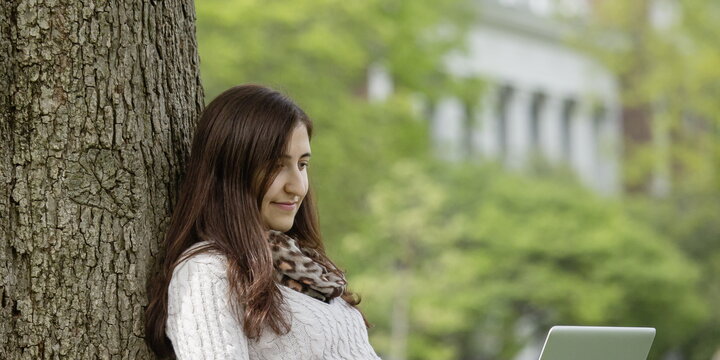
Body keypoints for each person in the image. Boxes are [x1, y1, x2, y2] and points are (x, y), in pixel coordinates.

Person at [144, 84, 381, 359]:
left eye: (302, 165)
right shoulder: (206, 273)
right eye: (275, 166)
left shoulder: (299, 265)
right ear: (232, 172)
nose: (297, 186)